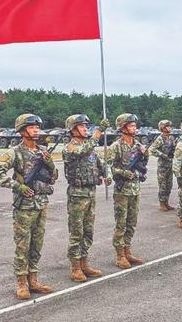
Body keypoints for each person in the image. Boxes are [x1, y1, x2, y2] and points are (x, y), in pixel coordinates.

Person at [0, 113, 57, 299]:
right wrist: (17, 186)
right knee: (22, 245)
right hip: (24, 207)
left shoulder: (43, 151)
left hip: (41, 204)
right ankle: (21, 282)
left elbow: (53, 178)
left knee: (37, 244)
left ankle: (33, 279)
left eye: (37, 127)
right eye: (31, 127)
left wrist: (50, 165)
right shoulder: (14, 152)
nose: (36, 130)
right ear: (22, 130)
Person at [62, 114, 110, 282]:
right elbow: (84, 151)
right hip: (77, 194)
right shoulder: (70, 148)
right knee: (77, 232)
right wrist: (98, 132)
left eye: (86, 126)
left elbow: (102, 164)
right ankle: (75, 267)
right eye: (82, 126)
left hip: (90, 193)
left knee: (88, 231)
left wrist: (107, 174)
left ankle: (84, 262)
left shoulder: (90, 149)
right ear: (73, 130)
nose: (85, 129)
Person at [106, 113, 146, 269]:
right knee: (121, 224)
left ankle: (128, 250)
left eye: (135, 125)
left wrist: (144, 153)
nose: (134, 128)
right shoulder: (116, 146)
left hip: (135, 189)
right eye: (131, 125)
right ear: (122, 128)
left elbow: (143, 163)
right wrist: (122, 173)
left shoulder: (138, 145)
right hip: (122, 190)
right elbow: (108, 166)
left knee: (132, 222)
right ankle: (120, 255)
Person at [149, 120, 176, 211]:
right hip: (162, 166)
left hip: (170, 164)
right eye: (168, 126)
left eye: (170, 126)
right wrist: (162, 155)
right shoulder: (160, 139)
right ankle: (162, 203)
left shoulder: (171, 138)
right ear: (163, 128)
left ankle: (166, 202)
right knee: (163, 185)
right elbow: (152, 149)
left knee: (169, 185)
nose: (170, 128)